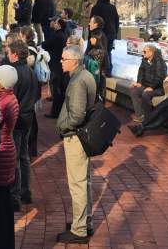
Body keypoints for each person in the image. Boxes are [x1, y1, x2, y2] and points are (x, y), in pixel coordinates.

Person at [56, 44, 97, 244]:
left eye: (64, 59)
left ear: (74, 61)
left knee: (77, 184)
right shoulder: (85, 75)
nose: (61, 61)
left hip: (75, 136)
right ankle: (84, 222)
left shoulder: (78, 81)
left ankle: (79, 229)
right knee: (84, 181)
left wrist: (63, 126)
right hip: (81, 136)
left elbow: (77, 114)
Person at [3, 39, 38, 208]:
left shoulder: (13, 73)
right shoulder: (30, 71)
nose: (7, 55)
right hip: (28, 117)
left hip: (17, 119)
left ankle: (15, 195)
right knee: (23, 156)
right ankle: (25, 191)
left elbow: (11, 98)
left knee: (15, 157)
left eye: (9, 52)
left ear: (15, 54)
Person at [0, 64, 19, 249]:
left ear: (1, 84)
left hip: (0, 153)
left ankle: (1, 242)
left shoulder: (1, 103)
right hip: (8, 149)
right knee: (4, 201)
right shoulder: (10, 98)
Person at [129, 44, 167, 123]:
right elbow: (141, 72)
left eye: (145, 51)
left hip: (158, 88)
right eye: (143, 51)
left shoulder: (159, 62)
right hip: (146, 85)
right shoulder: (144, 60)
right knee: (134, 90)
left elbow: (160, 77)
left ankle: (150, 116)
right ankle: (140, 115)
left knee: (145, 94)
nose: (143, 53)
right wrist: (139, 82)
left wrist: (152, 87)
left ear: (151, 52)